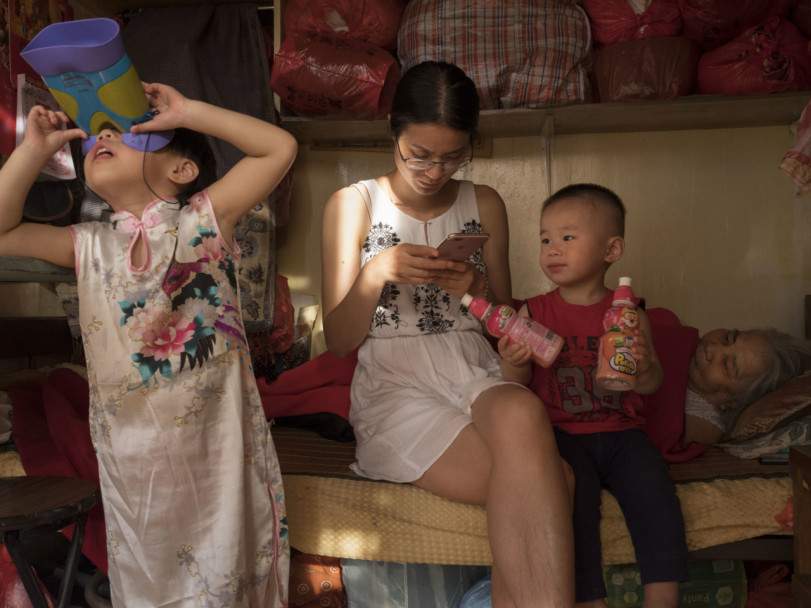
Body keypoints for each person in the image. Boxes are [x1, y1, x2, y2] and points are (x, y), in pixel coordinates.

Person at [0, 83, 297, 606]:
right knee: (149, 584)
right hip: (133, 465)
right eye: (98, 136)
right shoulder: (86, 245)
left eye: (130, 132)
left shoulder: (204, 221)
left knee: (228, 579)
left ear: (181, 170)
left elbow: (278, 148)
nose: (103, 138)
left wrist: (189, 112)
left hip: (219, 454)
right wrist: (31, 151)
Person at [320, 60, 575, 608]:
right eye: (419, 155)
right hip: (394, 383)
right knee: (562, 486)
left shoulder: (483, 202)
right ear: (394, 129)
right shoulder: (354, 204)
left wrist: (474, 284)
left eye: (452, 156)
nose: (435, 171)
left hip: (470, 365)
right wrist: (375, 273)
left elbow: (507, 319)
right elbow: (338, 340)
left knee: (523, 412)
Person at [508, 183, 687, 608]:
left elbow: (652, 382)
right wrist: (514, 359)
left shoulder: (629, 313)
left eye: (568, 238)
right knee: (573, 504)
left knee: (656, 493)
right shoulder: (532, 313)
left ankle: (663, 597)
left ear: (612, 249)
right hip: (562, 436)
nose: (553, 249)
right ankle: (589, 598)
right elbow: (511, 387)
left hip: (623, 432)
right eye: (545, 239)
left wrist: (643, 368)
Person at [683, 327, 811, 445]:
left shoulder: (702, 427)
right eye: (728, 338)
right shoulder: (684, 340)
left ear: (732, 402)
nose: (711, 348)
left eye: (727, 365)